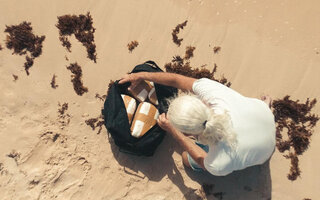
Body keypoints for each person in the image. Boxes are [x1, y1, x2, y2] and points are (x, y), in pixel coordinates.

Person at [119, 71, 276, 176]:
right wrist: (141, 75)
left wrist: (173, 131)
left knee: (187, 159)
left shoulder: (218, 163)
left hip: (262, 155)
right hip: (265, 119)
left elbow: (202, 161)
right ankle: (265, 108)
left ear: (188, 134)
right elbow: (177, 80)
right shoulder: (212, 92)